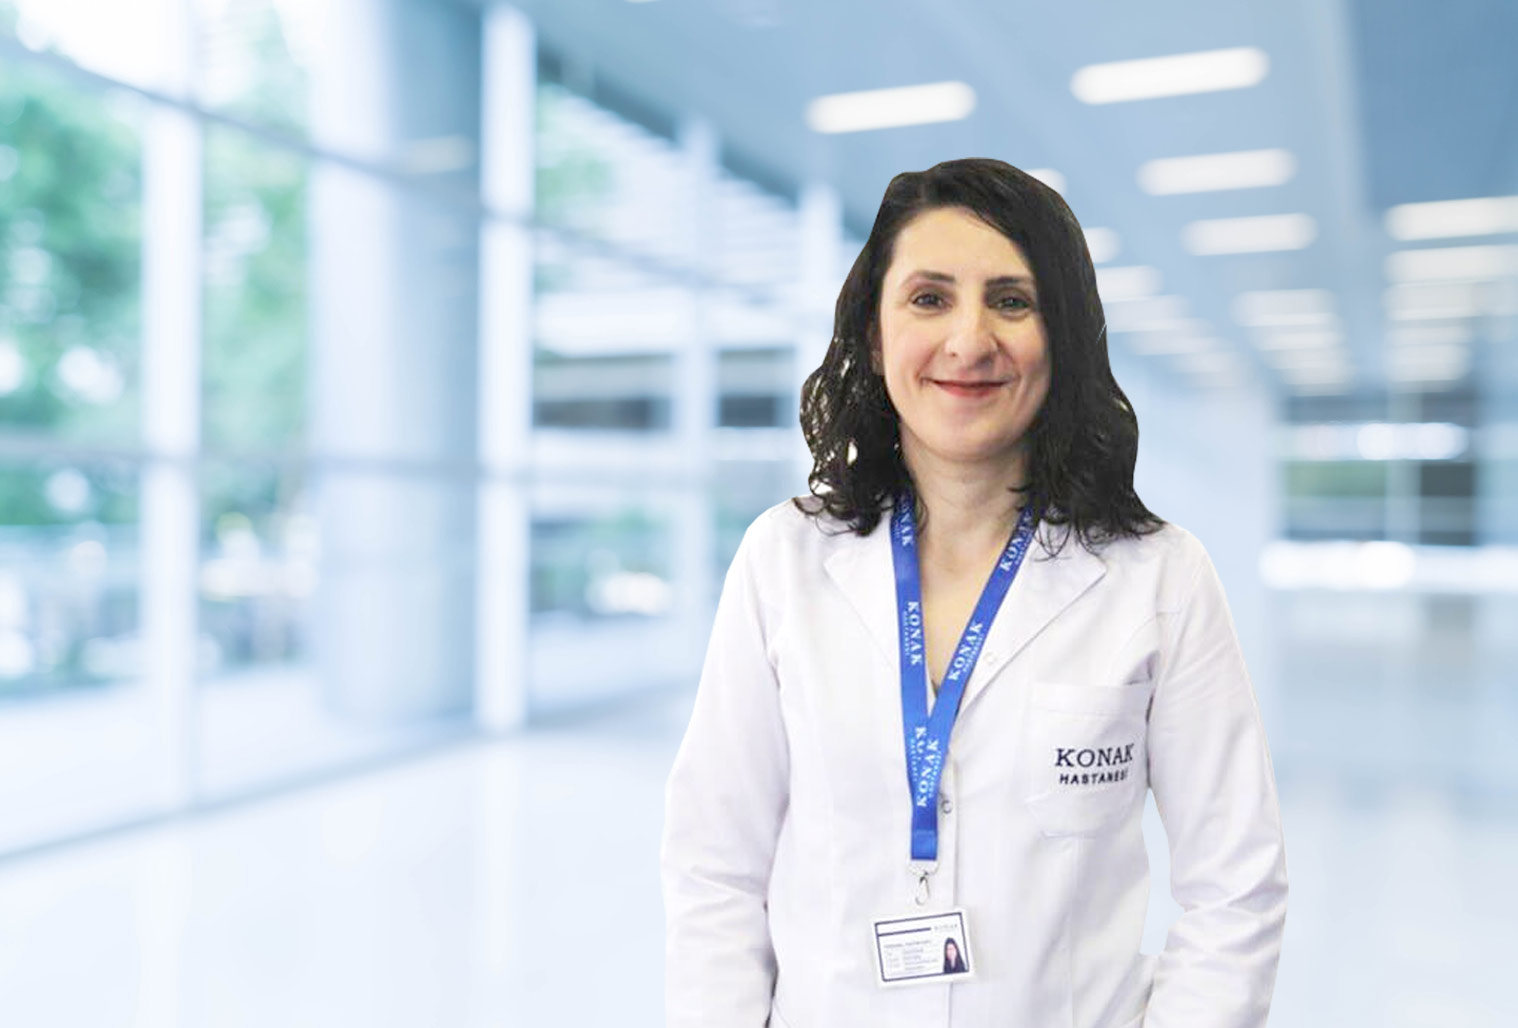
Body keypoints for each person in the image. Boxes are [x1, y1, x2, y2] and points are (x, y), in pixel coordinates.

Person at [661, 158, 1287, 1027]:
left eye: (1012, 301)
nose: (968, 340)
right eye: (929, 298)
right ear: (874, 337)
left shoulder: (1160, 578)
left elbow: (1235, 889)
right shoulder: (784, 560)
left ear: (1062, 338)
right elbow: (715, 866)